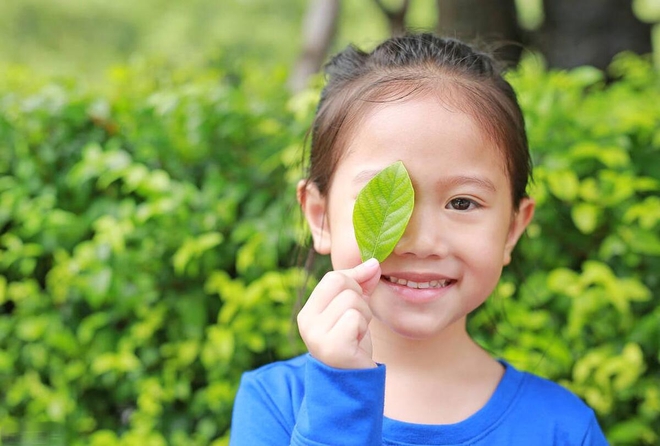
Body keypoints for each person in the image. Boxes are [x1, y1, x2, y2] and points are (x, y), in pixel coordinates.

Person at [229, 33, 608, 445]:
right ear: (321, 217)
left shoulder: (563, 427)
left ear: (513, 228)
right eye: (386, 198)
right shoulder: (274, 403)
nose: (423, 242)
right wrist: (341, 394)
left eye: (462, 203)